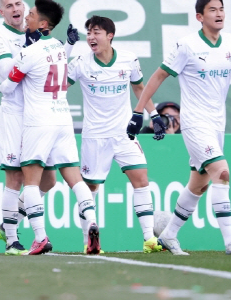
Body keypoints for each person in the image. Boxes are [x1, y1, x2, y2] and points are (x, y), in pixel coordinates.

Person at [129, 0, 231, 255]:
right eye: (212, 10)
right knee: (222, 173)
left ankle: (169, 234)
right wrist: (141, 111)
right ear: (199, 17)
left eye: (222, 9)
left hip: (218, 123)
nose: (219, 14)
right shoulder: (187, 45)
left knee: (199, 184)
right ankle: (230, 242)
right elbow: (158, 76)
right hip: (194, 123)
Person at [0, 0, 100, 255]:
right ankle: (92, 224)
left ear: (42, 23)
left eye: (30, 14)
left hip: (38, 121)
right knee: (76, 180)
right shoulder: (59, 47)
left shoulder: (28, 53)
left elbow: (8, 87)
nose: (26, 17)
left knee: (30, 183)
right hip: (63, 119)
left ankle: (40, 237)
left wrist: (16, 71)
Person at [66, 16, 162, 253]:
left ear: (110, 35)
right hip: (95, 136)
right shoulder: (79, 62)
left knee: (141, 179)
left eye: (96, 32)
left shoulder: (129, 60)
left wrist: (155, 114)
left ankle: (149, 238)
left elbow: (140, 88)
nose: (90, 37)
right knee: (91, 189)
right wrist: (64, 49)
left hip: (124, 133)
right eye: (88, 32)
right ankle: (89, 238)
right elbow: (57, 85)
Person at [0, 0, 59, 255]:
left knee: (49, 180)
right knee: (15, 177)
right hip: (15, 113)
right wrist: (31, 49)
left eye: (19, 4)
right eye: (8, 6)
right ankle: (12, 239)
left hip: (40, 114)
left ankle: (9, 221)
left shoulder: (36, 34)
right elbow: (7, 74)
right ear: (2, 12)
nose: (15, 9)